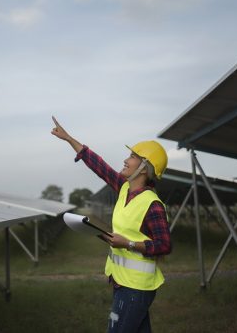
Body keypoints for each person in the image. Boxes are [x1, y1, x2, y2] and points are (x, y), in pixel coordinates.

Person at [51, 116, 171, 333]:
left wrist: (129, 244)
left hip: (136, 288)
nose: (126, 160)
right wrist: (69, 139)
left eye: (133, 156)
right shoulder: (124, 188)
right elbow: (99, 166)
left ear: (144, 168)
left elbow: (164, 245)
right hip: (121, 282)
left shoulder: (153, 206)